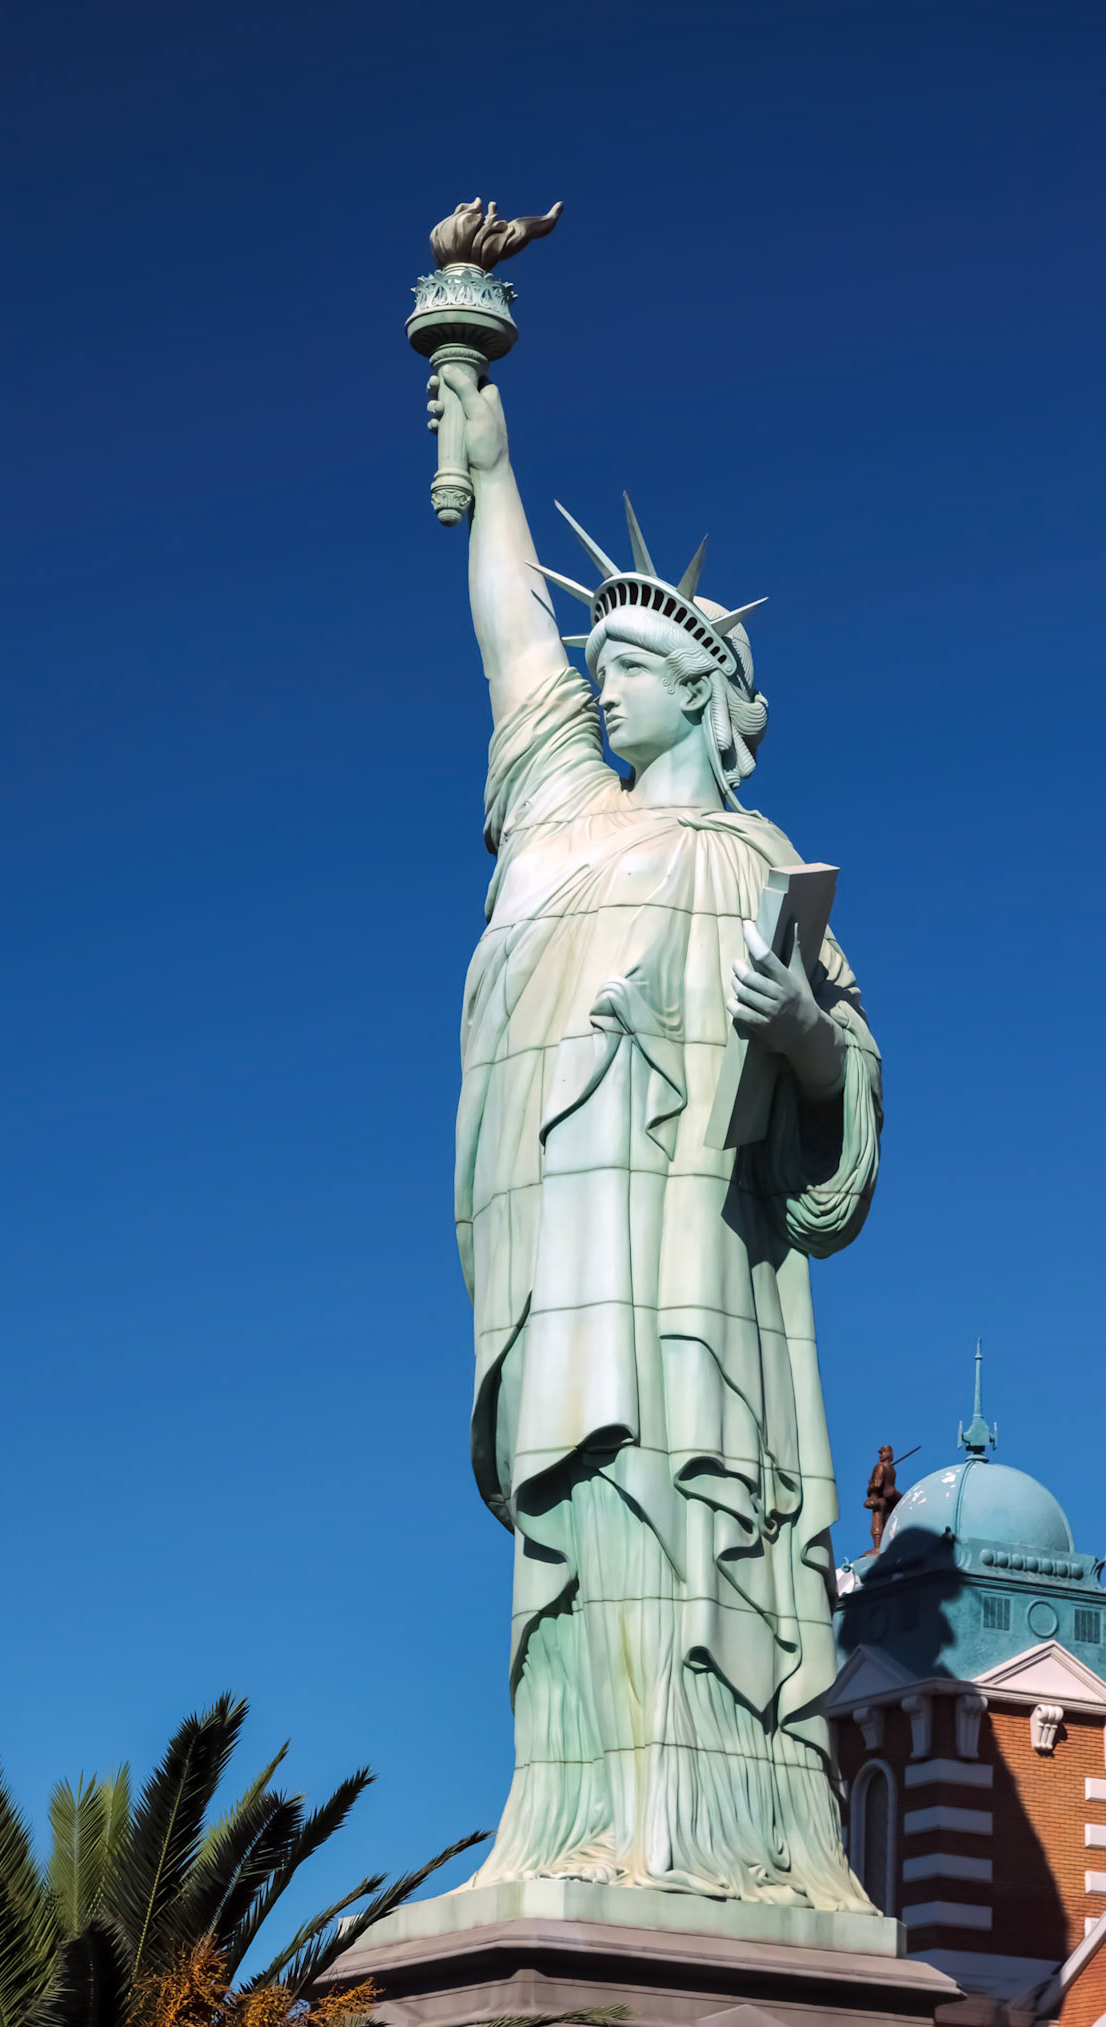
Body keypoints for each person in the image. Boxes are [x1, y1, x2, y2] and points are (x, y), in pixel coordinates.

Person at [428, 362, 882, 1909]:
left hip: (703, 1293)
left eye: (632, 666)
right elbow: (509, 641)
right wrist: (481, 449)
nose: (602, 687)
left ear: (699, 692)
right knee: (573, 1552)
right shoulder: (561, 810)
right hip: (571, 1271)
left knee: (694, 1525)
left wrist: (804, 1035)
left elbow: (847, 1122)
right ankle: (576, 1831)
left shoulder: (762, 864)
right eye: (602, 663)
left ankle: (724, 1842)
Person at [865, 1446, 903, 1552]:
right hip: (889, 1499)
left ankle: (877, 1548)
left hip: (880, 1499)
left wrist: (870, 1484)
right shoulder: (892, 1469)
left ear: (887, 1454)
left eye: (882, 1453)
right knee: (886, 1523)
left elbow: (877, 1485)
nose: (880, 1456)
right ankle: (886, 1547)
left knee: (877, 1523)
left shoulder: (880, 1466)